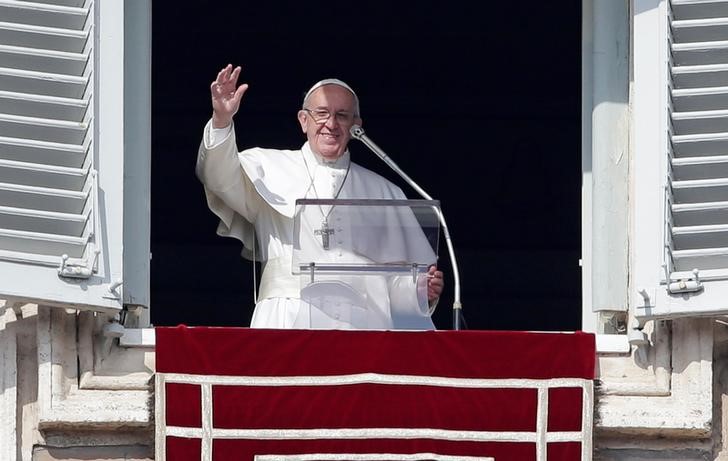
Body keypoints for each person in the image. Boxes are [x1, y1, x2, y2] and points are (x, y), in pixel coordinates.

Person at [197, 64, 444, 329]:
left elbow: (393, 287)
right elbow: (218, 176)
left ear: (356, 125)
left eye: (342, 115)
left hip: (362, 325)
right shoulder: (266, 167)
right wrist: (221, 120)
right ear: (303, 121)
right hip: (287, 316)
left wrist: (418, 290)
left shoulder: (384, 191)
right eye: (322, 113)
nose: (331, 124)